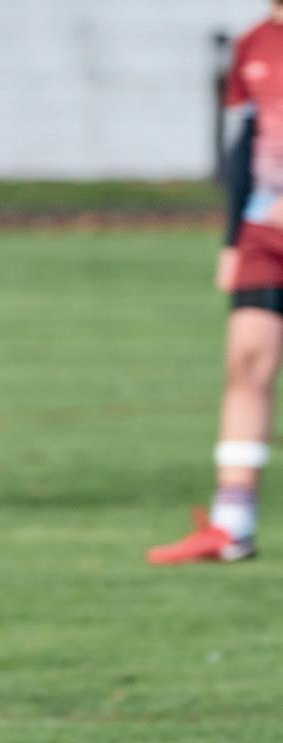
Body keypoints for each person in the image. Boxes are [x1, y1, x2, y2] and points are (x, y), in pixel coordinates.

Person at [147, 1, 283, 565]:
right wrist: (232, 240)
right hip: (263, 235)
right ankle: (233, 525)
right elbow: (246, 143)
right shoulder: (255, 41)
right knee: (247, 364)